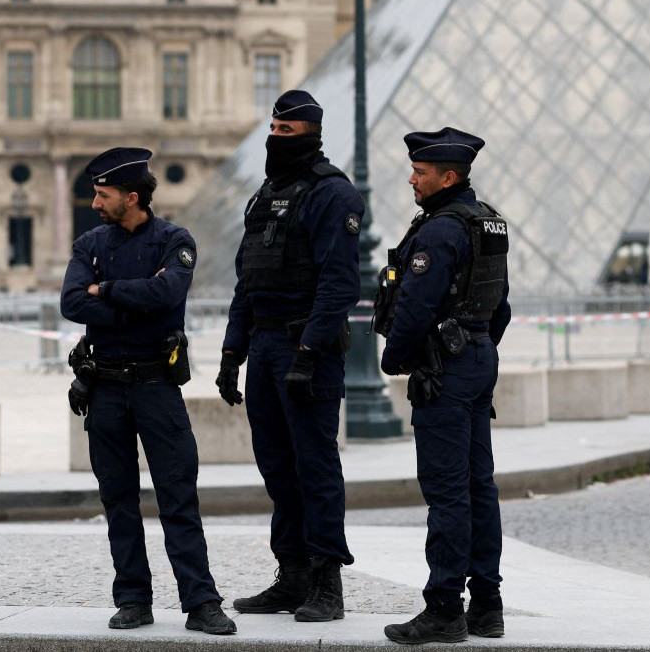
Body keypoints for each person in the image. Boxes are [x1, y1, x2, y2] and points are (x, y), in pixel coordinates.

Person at [61, 147, 236, 636]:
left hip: (157, 385)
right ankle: (133, 598)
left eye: (103, 195)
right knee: (118, 500)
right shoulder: (90, 243)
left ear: (131, 196)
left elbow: (168, 296)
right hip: (106, 387)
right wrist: (130, 296)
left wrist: (106, 291)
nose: (94, 203)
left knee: (178, 496)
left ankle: (201, 601)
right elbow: (72, 302)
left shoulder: (174, 239)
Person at [216, 90, 362, 622]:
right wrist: (233, 352)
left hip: (307, 347)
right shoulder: (264, 194)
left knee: (315, 467)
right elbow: (247, 278)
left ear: (311, 135)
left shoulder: (332, 193)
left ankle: (327, 582)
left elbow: (339, 284)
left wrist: (308, 351)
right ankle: (292, 573)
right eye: (272, 131)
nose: (275, 140)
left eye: (286, 133)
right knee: (277, 466)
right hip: (264, 346)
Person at [374, 127, 511, 645]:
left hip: (445, 371)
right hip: (477, 358)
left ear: (447, 176)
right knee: (480, 486)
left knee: (448, 491)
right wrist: (476, 344)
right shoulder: (488, 222)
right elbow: (502, 306)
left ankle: (444, 609)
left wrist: (398, 358)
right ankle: (487, 606)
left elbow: (414, 307)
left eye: (421, 172)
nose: (412, 178)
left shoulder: (438, 231)